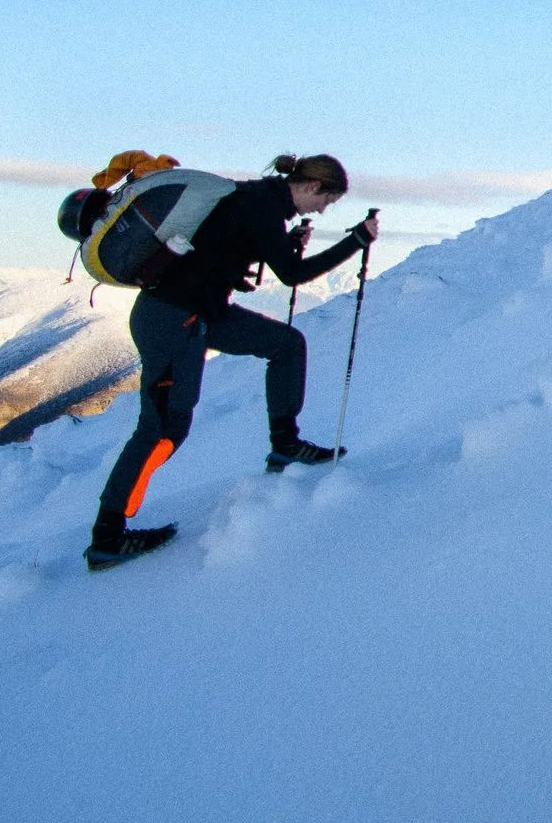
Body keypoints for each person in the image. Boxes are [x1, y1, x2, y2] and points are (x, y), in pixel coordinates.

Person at [85, 153, 378, 571]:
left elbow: (221, 246)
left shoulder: (259, 200)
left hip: (199, 313)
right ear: (312, 186)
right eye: (325, 201)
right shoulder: (263, 207)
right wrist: (356, 242)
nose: (322, 210)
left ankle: (285, 446)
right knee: (163, 429)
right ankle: (108, 537)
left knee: (286, 344)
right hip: (173, 319)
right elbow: (293, 275)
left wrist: (268, 252)